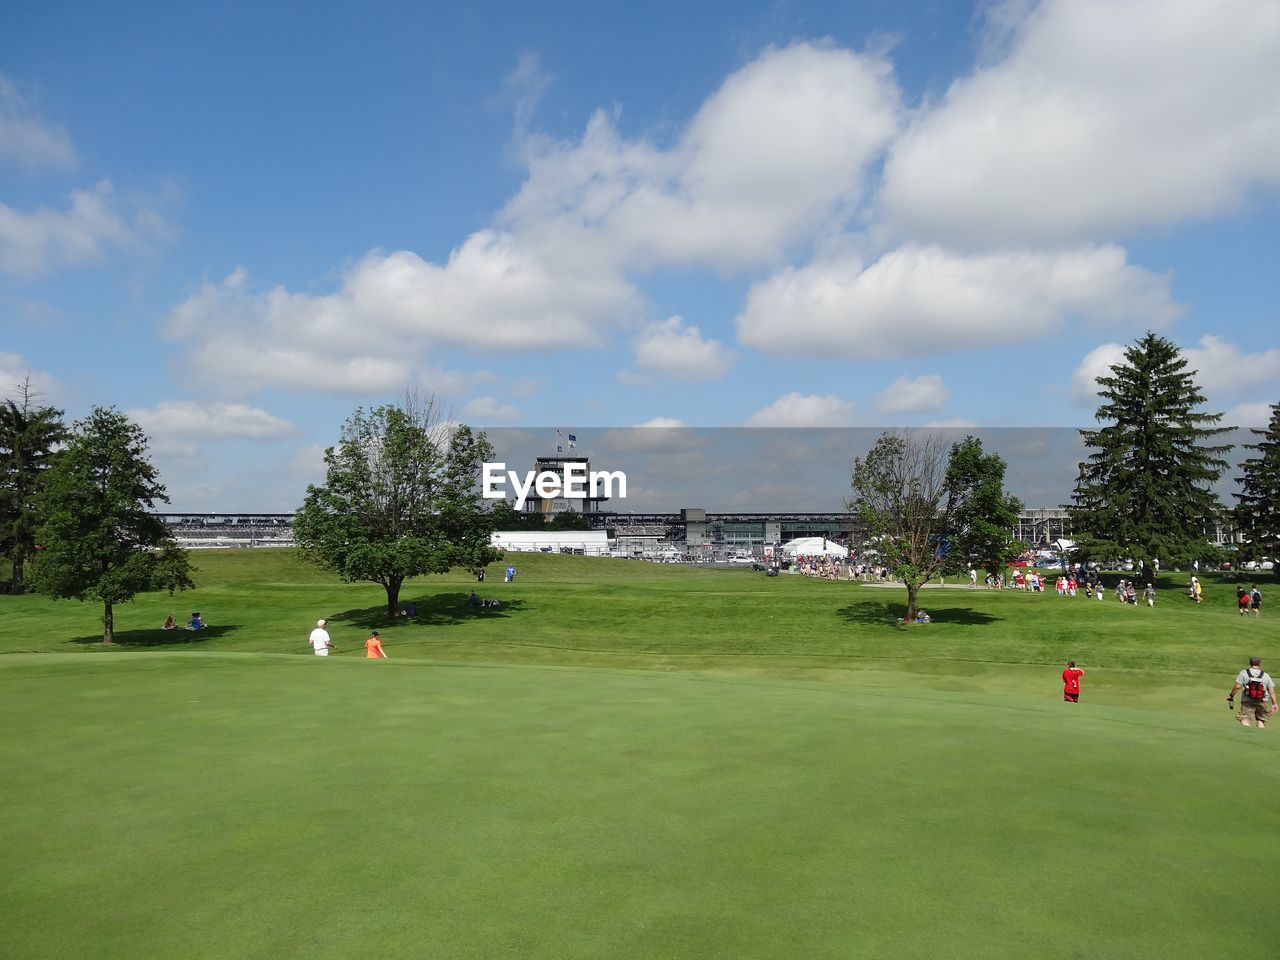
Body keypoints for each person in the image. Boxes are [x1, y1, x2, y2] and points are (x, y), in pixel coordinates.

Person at [1228, 656, 1277, 728]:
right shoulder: (1266, 675)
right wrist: (1274, 704)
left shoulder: (1244, 673)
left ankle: (1246, 735)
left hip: (1248, 699)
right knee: (1261, 720)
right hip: (1262, 700)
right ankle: (1259, 736)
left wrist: (1231, 695)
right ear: (1260, 664)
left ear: (1250, 663)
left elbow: (1237, 686)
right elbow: (1271, 691)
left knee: (1245, 718)